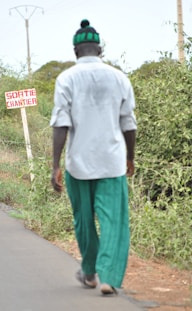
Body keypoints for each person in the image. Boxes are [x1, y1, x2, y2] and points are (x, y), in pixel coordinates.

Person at [50, 19, 137, 295]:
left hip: (79, 164)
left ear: (76, 52)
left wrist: (55, 165)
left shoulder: (66, 78)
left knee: (83, 220)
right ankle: (108, 278)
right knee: (114, 221)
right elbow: (129, 124)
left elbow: (60, 124)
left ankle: (89, 273)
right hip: (112, 162)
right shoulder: (119, 77)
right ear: (99, 50)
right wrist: (130, 157)